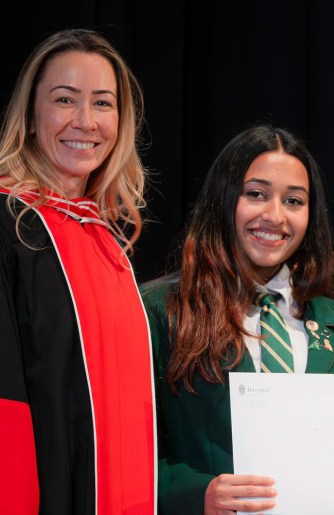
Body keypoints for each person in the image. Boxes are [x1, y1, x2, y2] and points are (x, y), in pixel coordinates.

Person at [142, 124, 334, 515]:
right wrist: (197, 494)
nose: (274, 216)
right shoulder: (160, 311)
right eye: (256, 194)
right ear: (223, 199)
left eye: (294, 201)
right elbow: (122, 451)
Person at [0, 29, 154, 514]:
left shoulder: (105, 240)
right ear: (29, 116)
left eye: (102, 104)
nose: (85, 122)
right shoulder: (9, 225)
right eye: (64, 100)